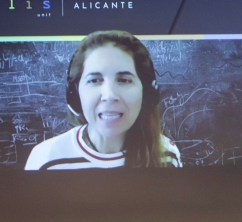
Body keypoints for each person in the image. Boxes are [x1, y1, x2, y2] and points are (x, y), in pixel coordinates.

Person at [25, 30, 181, 170]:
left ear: (147, 93)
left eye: (124, 80)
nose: (109, 95)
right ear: (75, 93)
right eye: (94, 80)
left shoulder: (166, 155)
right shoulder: (46, 158)